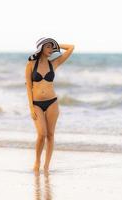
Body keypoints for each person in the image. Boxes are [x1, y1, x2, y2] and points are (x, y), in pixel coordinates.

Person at [25, 37, 74, 172]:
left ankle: (46, 166)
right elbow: (29, 87)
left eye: (52, 47)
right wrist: (30, 107)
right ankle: (37, 162)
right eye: (48, 47)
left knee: (50, 135)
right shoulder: (31, 64)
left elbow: (71, 47)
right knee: (42, 133)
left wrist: (56, 44)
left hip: (52, 102)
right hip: (36, 103)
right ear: (41, 48)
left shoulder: (54, 63)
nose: (51, 49)